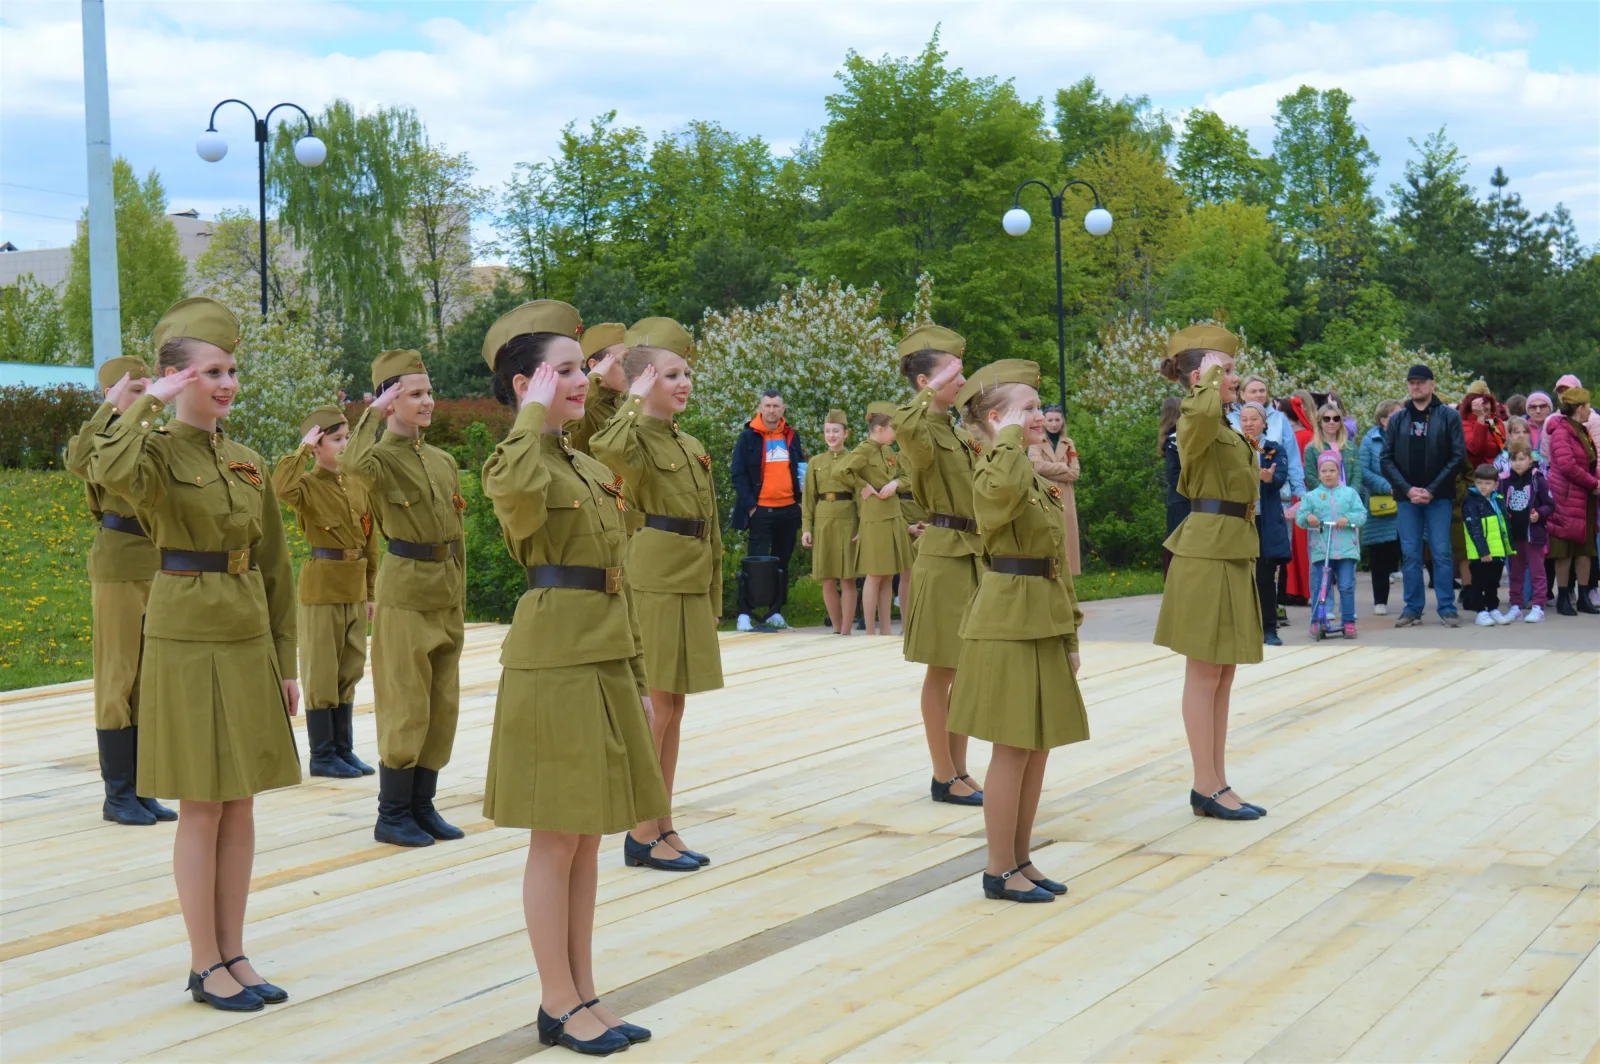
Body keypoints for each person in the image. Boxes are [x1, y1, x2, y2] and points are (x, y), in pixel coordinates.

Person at [89, 297, 299, 1010]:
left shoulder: (246, 461)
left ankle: (235, 952)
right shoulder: (151, 452)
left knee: (241, 801)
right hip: (184, 633)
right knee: (202, 804)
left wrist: (287, 661)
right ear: (180, 379)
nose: (228, 383)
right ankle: (203, 962)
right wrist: (149, 404)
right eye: (212, 371)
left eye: (233, 370)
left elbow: (275, 567)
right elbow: (101, 466)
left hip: (244, 636)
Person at [479, 300, 666, 1055]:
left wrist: (638, 665)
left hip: (603, 651)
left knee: (588, 836)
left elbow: (615, 571)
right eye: (562, 369)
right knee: (556, 838)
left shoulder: (586, 465)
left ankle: (584, 989)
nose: (581, 378)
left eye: (582, 366)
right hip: (554, 657)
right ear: (526, 384)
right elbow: (519, 504)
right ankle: (556, 1000)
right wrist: (528, 414)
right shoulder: (514, 458)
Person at [948, 360, 1087, 902]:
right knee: (1011, 747)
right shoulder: (992, 467)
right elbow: (998, 496)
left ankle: (1021, 859)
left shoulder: (1030, 470)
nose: (1039, 415)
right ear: (996, 417)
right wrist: (1005, 435)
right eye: (1026, 408)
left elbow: (1054, 557)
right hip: (1006, 621)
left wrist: (1070, 634)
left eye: (1037, 406)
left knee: (1038, 746)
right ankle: (997, 867)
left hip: (1043, 619)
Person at [591, 317, 723, 872]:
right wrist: (632, 399)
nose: (684, 382)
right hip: (656, 575)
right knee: (657, 708)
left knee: (675, 706)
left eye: (686, 373)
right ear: (646, 384)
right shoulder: (635, 435)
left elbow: (710, 523)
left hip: (689, 577)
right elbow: (604, 447)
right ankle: (642, 831)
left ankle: (662, 822)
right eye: (671, 375)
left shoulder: (687, 442)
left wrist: (715, 590)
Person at [342, 349, 467, 847]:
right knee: (405, 703)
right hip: (406, 589)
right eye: (414, 394)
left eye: (429, 392)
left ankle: (422, 804)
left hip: (444, 590)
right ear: (391, 402)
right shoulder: (379, 459)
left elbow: (456, 534)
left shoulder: (441, 460)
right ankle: (391, 813)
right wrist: (371, 414)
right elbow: (350, 461)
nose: (427, 402)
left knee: (442, 704)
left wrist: (460, 591)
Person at [1152, 325, 1265, 822]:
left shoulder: (1223, 424)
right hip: (1204, 552)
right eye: (1227, 369)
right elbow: (1194, 411)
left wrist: (1216, 375)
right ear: (1200, 378)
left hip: (1232, 549)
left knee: (1224, 671)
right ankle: (1204, 784)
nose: (1236, 377)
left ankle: (1218, 781)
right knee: (1203, 672)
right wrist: (1206, 379)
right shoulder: (1195, 421)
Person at [64, 355, 174, 826]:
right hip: (119, 563)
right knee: (117, 677)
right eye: (135, 390)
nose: (147, 398)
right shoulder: (101, 441)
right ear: (111, 397)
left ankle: (142, 788)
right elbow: (77, 461)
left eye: (149, 389)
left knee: (149, 679)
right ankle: (118, 793)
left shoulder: (159, 442)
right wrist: (107, 412)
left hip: (160, 563)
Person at [892, 325, 984, 808]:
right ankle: (943, 774)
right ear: (927, 381)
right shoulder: (922, 428)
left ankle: (960, 769)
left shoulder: (955, 429)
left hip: (972, 550)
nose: (961, 379)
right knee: (942, 670)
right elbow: (904, 428)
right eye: (952, 372)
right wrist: (926, 396)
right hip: (946, 552)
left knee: (966, 668)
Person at [271, 405, 379, 779]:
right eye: (336, 439)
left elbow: (370, 541)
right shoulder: (307, 486)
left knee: (349, 667)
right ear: (317, 445)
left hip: (353, 582)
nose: (345, 445)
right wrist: (302, 449)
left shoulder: (357, 483)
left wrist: (370, 592)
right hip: (323, 585)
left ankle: (343, 749)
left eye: (347, 437)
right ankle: (322, 754)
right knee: (322, 670)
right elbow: (280, 485)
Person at [1381, 363, 1466, 628]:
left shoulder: (1448, 417)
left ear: (1432, 384)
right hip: (1408, 498)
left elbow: (1457, 457)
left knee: (1441, 552)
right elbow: (1386, 459)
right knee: (1411, 554)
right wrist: (1407, 489)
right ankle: (1412, 608)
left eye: (1421, 382)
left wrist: (1431, 489)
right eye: (1412, 382)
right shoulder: (1397, 419)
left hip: (1438, 497)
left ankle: (1447, 607)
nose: (1416, 386)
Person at [730, 389, 806, 631]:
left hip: (789, 510)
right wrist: (752, 506)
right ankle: (745, 614)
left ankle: (775, 612)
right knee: (756, 563)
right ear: (760, 408)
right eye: (768, 405)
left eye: (776, 406)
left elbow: (801, 469)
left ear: (783, 409)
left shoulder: (791, 436)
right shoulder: (748, 437)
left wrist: (801, 501)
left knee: (782, 563)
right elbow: (738, 474)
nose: (772, 410)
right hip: (761, 511)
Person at [841, 402, 913, 636]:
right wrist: (864, 486)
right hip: (875, 517)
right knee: (874, 573)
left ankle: (885, 630)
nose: (895, 434)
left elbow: (906, 476)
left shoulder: (888, 451)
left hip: (893, 515)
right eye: (892, 428)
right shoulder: (865, 450)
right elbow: (841, 471)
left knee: (889, 571)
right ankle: (870, 631)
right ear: (880, 429)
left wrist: (895, 484)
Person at [1297, 451, 1369, 638]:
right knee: (1320, 587)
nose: (1328, 474)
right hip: (1322, 550)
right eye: (1324, 471)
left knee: (1346, 586)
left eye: (1332, 470)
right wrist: (1308, 517)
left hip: (1346, 549)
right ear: (1318, 473)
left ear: (1339, 472)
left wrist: (1348, 518)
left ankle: (1348, 621)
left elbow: (1361, 515)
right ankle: (1316, 621)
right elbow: (1300, 517)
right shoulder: (1312, 496)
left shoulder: (1349, 493)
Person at [802, 409, 859, 635]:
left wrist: (863, 526)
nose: (831, 435)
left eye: (836, 431)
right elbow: (808, 499)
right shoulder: (815, 462)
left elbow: (861, 496)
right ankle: (836, 627)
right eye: (827, 431)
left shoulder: (855, 460)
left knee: (847, 578)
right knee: (827, 577)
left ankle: (846, 629)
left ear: (846, 434)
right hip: (823, 521)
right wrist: (807, 528)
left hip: (848, 520)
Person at [1545, 387, 1599, 616]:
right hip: (1565, 497)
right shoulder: (1561, 432)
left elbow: (1590, 462)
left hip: (1583, 497)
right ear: (1579, 408)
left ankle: (1584, 595)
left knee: (1585, 548)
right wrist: (1593, 483)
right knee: (1564, 549)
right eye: (1587, 406)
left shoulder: (1582, 430)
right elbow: (1567, 466)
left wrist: (1594, 481)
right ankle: (1564, 597)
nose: (1590, 410)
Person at [1238, 402, 1288, 646]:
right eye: (1244, 419)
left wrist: (1269, 478)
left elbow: (1279, 477)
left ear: (1264, 423)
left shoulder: (1270, 449)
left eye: (1253, 419)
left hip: (1263, 521)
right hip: (1238, 521)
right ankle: (1241, 630)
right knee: (1238, 577)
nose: (1248, 423)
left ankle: (1269, 629)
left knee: (1265, 578)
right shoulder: (1233, 446)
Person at [1229, 376, 1306, 502]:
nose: (1259, 395)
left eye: (1262, 390)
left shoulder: (1279, 419)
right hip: (1240, 494)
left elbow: (1292, 457)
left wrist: (1299, 490)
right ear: (1242, 394)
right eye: (1253, 391)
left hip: (1275, 492)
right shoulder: (1231, 420)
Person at [1500, 441, 1552, 623]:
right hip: (1514, 536)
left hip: (1533, 535)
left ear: (1530, 459)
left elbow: (1550, 504)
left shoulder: (1538, 479)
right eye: (1514, 459)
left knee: (1537, 571)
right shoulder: (1504, 480)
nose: (1518, 463)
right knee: (1515, 572)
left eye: (1522, 459)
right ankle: (1515, 606)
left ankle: (1538, 606)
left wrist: (1540, 514)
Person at [1359, 400, 1403, 616]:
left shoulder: (1409, 438)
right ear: (1383, 420)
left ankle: (1412, 602)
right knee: (1379, 553)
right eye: (1396, 415)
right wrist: (1388, 487)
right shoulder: (1370, 441)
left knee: (1404, 549)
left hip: (1405, 500)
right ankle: (1380, 600)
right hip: (1380, 504)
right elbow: (1364, 471)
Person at [1028, 404, 1081, 575]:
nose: (1053, 423)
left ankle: (1067, 576)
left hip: (1065, 497)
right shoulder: (1035, 440)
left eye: (1057, 420)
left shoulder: (1068, 443)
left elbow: (1075, 472)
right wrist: (1062, 467)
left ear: (1062, 421)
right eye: (1050, 419)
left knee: (1067, 538)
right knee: (1048, 535)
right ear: (1044, 421)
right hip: (1044, 494)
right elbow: (1036, 466)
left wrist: (1053, 470)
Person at [1460, 463, 1513, 626]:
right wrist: (1483, 551)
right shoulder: (1471, 502)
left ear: (1496, 484)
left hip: (1497, 550)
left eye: (1487, 483)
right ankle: (1480, 611)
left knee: (1493, 582)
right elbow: (1474, 528)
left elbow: (1503, 525)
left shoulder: (1498, 499)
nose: (1483, 487)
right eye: (1480, 482)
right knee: (1479, 582)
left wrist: (1507, 547)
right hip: (1480, 552)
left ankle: (1492, 608)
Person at [567, 322, 626, 457]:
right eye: (622, 362)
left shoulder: (627, 406)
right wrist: (593, 379)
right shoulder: (583, 408)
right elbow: (564, 427)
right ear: (595, 365)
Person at [1303, 402, 1362, 494]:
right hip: (1323, 500)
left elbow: (1357, 476)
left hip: (1349, 500)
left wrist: (1351, 495)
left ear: (1340, 422)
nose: (1332, 422)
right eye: (1326, 419)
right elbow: (1311, 479)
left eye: (1336, 419)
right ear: (1320, 422)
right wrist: (1331, 496)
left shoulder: (1351, 447)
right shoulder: (1311, 449)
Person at [1159, 397, 1186, 580]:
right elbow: (1174, 474)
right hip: (1182, 500)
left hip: (1180, 499)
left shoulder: (1176, 438)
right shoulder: (1175, 440)